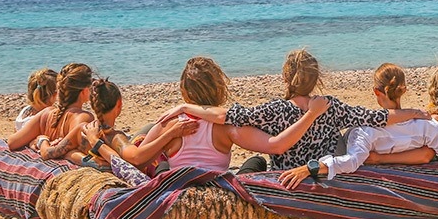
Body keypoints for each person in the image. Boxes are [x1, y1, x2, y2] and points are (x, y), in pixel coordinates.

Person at [166, 50, 431, 172]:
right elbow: (379, 118)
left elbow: (225, 116)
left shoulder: (274, 110)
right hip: (321, 174)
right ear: (316, 79)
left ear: (285, 78)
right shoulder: (332, 106)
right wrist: (415, 112)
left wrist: (186, 107)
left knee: (256, 163)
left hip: (288, 179)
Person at [278, 64, 438, 188]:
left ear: (376, 92)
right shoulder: (426, 125)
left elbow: (352, 162)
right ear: (404, 90)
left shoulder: (365, 130)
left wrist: (309, 168)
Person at [142, 56, 336, 174]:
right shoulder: (228, 127)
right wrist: (310, 114)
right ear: (219, 88)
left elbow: (137, 158)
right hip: (216, 187)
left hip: (179, 183)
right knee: (257, 161)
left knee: (154, 149)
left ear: (184, 92)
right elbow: (276, 146)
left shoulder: (169, 123)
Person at [7, 63, 95, 164]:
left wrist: (39, 140)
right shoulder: (83, 117)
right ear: (85, 91)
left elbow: (12, 142)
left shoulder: (46, 113)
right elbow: (87, 155)